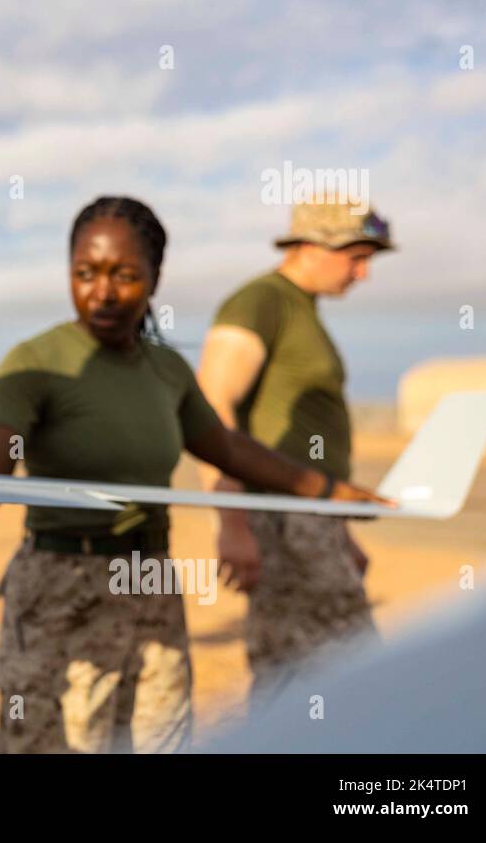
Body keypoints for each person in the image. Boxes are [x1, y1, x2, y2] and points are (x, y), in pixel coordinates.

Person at [0, 196, 389, 754]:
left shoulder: (166, 370)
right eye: (85, 273)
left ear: (154, 279)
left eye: (124, 275)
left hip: (152, 586)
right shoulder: (36, 363)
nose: (102, 292)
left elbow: (228, 448)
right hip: (60, 592)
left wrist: (333, 494)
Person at [197, 195, 394, 704]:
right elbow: (211, 408)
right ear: (309, 246)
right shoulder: (260, 301)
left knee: (321, 676)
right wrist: (232, 523)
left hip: (311, 521)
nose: (364, 272)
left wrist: (339, 531)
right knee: (327, 677)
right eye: (356, 256)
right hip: (280, 522)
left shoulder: (301, 310)